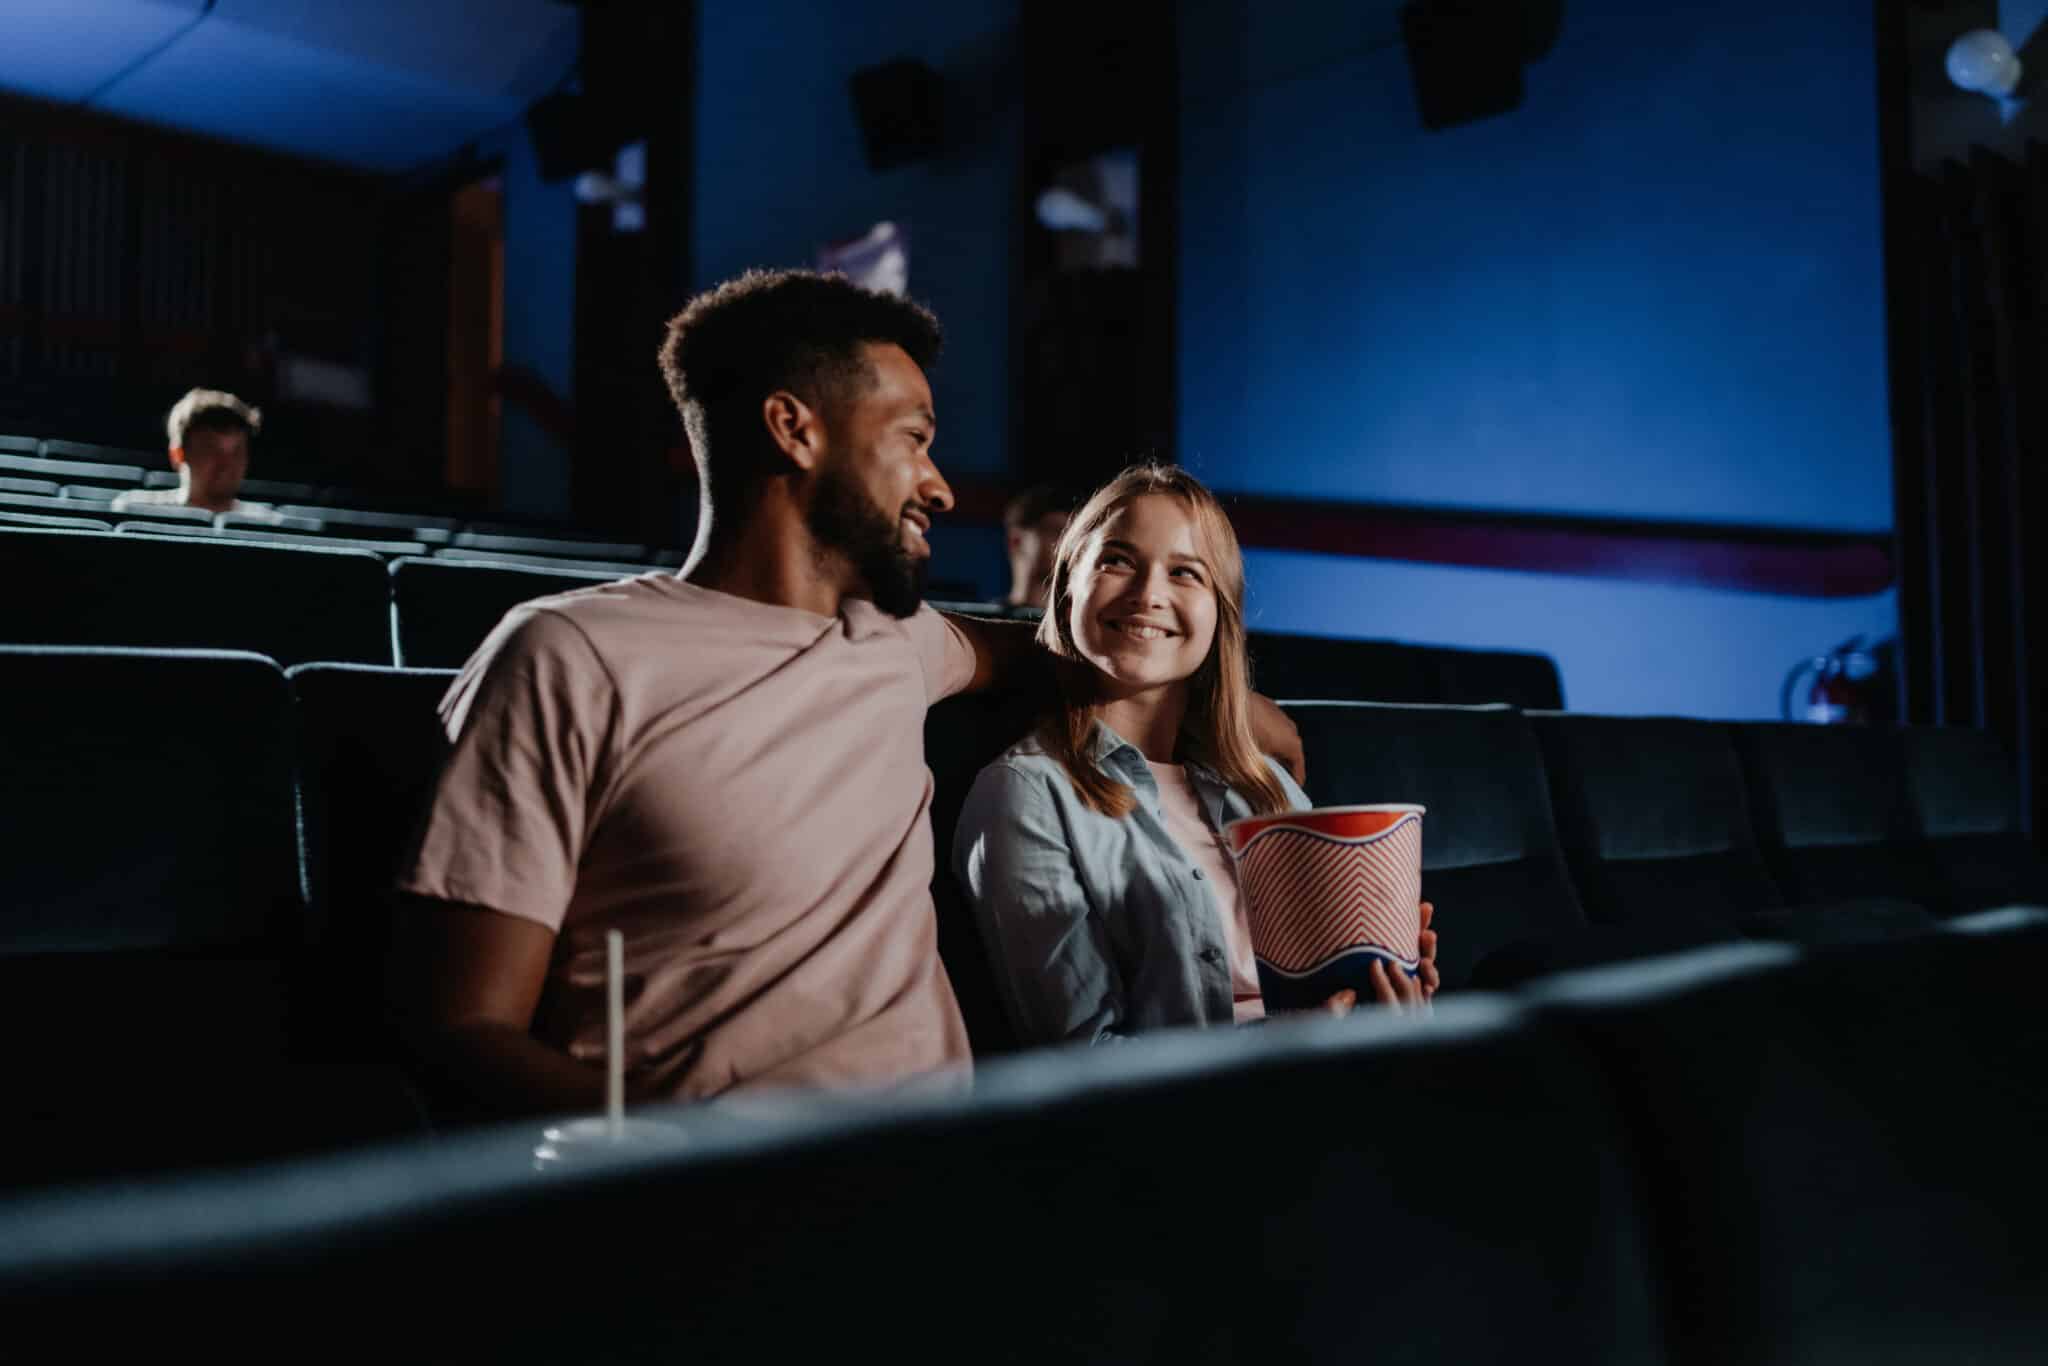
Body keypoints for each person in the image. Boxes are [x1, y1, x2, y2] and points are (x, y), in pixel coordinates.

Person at [388, 271, 1307, 1115]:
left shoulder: (901, 641)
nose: (941, 487)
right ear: (796, 429)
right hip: (708, 1188)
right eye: (913, 439)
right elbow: (461, 1030)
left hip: (934, 1165)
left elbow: (1061, 660)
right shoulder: (568, 654)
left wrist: (1243, 723)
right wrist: (663, 1141)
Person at [953, 465, 1438, 1047]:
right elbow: (1082, 1060)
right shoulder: (1025, 792)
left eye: (1184, 572)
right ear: (1067, 588)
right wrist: (1284, 1046)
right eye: (1117, 561)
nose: (1148, 594)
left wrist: (1389, 993)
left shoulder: (1266, 787)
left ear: (1219, 615)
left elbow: (1331, 993)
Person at [110, 388, 280, 519]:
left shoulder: (268, 525)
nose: (226, 463)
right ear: (178, 454)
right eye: (211, 450)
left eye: (236, 452)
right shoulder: (135, 511)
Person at [1002, 483, 1070, 610]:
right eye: (1056, 531)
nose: (1067, 544)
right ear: (1016, 541)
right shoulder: (975, 621)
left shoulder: (1073, 626)